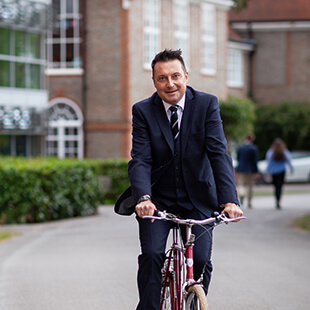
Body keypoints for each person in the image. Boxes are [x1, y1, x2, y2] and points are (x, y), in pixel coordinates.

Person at [127, 49, 243, 310]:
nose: (170, 84)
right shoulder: (143, 111)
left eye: (175, 76)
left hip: (198, 199)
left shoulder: (206, 104)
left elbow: (218, 154)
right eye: (162, 78)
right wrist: (144, 197)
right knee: (153, 255)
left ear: (186, 76)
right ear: (154, 81)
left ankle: (194, 303)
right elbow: (141, 159)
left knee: (200, 259)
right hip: (157, 201)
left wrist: (229, 200)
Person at [266, 138, 293, 209]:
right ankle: (279, 199)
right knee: (280, 186)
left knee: (275, 186)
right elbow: (288, 160)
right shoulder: (284, 151)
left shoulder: (271, 152)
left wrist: (267, 171)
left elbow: (268, 162)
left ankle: (276, 199)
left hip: (274, 171)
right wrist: (291, 168)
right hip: (281, 171)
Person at [235, 133, 259, 208]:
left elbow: (238, 158)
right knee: (250, 186)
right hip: (250, 169)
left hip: (241, 168)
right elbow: (255, 161)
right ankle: (249, 201)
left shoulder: (240, 147)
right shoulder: (253, 148)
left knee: (241, 184)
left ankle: (242, 194)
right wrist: (256, 171)